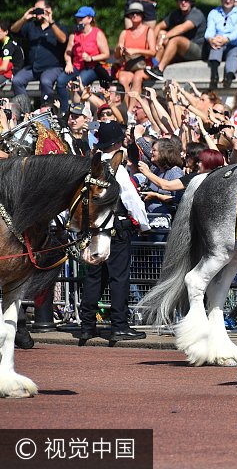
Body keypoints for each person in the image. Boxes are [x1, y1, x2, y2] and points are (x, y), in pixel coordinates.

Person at [78, 121, 151, 343]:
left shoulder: (91, 164)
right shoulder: (116, 167)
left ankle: (87, 326)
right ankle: (119, 325)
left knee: (94, 277)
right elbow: (130, 199)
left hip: (94, 226)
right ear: (119, 142)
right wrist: (143, 224)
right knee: (118, 278)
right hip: (116, 228)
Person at [11, 0, 68, 98]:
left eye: (40, 10)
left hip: (52, 67)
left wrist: (51, 23)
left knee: (45, 81)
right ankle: (26, 109)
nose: (37, 13)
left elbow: (63, 39)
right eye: (35, 10)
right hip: (33, 68)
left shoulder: (58, 26)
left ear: (48, 10)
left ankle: (47, 109)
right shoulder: (31, 26)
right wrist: (24, 18)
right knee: (17, 81)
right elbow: (13, 30)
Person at [148, 0, 207, 80]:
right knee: (161, 33)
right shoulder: (175, 14)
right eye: (181, 0)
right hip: (181, 49)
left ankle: (159, 69)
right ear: (177, 2)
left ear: (191, 2)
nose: (183, 3)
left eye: (186, 0)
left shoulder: (196, 14)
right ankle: (153, 63)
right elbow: (158, 26)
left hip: (198, 50)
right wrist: (152, 45)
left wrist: (164, 37)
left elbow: (182, 28)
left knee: (175, 39)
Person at [60, 6, 109, 109]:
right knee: (60, 81)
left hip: (92, 67)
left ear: (90, 19)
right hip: (77, 65)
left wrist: (91, 58)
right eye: (78, 18)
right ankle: (64, 111)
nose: (79, 20)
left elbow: (106, 54)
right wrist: (68, 62)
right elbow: (67, 52)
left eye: (82, 18)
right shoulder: (74, 35)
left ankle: (79, 111)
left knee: (79, 83)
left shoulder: (97, 33)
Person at [205, 0, 237, 89]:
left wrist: (226, 39)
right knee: (215, 47)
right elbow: (209, 30)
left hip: (234, 43)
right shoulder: (213, 13)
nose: (228, 1)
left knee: (233, 55)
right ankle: (214, 74)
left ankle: (229, 76)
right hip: (218, 42)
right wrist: (211, 39)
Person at [115, 2, 154, 111]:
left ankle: (131, 110)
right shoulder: (125, 33)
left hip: (143, 65)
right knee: (122, 79)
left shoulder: (148, 31)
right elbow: (117, 56)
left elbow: (153, 52)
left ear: (142, 15)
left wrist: (136, 51)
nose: (134, 15)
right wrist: (119, 48)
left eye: (137, 13)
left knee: (137, 77)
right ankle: (129, 110)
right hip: (128, 65)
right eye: (132, 14)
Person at [0, 19, 25, 89]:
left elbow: (4, 67)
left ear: (6, 32)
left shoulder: (8, 46)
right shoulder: (8, 42)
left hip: (12, 73)